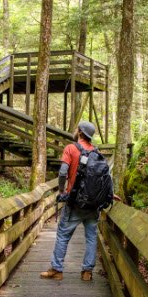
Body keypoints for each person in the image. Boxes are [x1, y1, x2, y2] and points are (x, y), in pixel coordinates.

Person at [40, 120, 104, 282]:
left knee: (63, 235)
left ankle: (57, 270)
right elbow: (104, 178)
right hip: (92, 205)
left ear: (80, 132)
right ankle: (87, 272)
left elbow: (63, 172)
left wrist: (62, 191)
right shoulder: (96, 152)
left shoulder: (70, 148)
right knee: (91, 237)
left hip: (74, 202)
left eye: (77, 129)